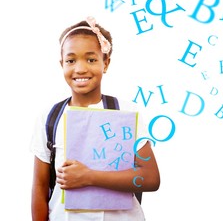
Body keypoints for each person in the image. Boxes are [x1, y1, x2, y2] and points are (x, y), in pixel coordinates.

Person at [30, 16, 160, 221]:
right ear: (61, 64)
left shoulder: (124, 113)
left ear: (105, 62)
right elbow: (39, 187)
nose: (80, 68)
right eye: (71, 60)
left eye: (91, 59)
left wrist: (89, 177)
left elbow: (151, 178)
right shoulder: (49, 118)